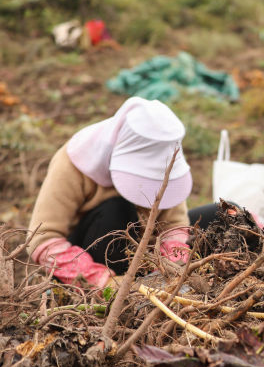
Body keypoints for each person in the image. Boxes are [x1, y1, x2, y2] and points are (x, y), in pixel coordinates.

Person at [27, 97, 202, 289]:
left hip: (147, 257)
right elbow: (42, 239)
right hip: (92, 255)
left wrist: (170, 269)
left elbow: (175, 225)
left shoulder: (165, 158)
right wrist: (103, 281)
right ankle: (121, 291)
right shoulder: (73, 162)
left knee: (223, 215)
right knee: (118, 209)